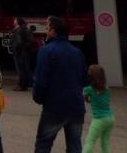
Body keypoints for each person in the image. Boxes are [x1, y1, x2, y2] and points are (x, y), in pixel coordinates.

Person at [33, 16, 89, 153]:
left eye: (47, 28)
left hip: (54, 106)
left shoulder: (46, 51)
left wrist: (39, 97)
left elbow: (40, 79)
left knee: (43, 144)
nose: (46, 31)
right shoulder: (77, 52)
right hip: (76, 105)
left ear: (53, 31)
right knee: (75, 145)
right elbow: (85, 79)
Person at [83, 64, 115, 153]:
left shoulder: (88, 89)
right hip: (110, 118)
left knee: (90, 141)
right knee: (105, 142)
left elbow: (86, 99)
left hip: (99, 119)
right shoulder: (107, 88)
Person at [11, 17, 34, 91]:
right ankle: (27, 83)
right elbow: (30, 41)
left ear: (17, 22)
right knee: (25, 68)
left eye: (15, 20)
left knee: (20, 69)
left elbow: (19, 42)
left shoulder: (18, 30)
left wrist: (16, 48)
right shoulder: (26, 29)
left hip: (19, 52)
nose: (14, 21)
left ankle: (22, 85)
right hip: (24, 52)